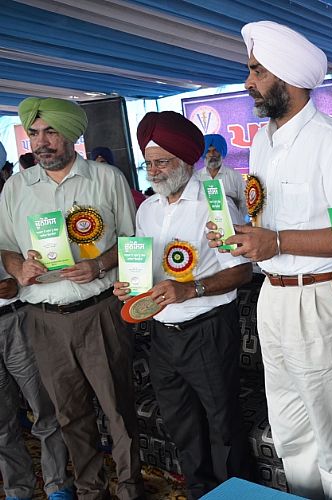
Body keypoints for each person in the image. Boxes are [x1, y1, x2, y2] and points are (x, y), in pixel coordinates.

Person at [208, 21, 332, 499]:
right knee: (289, 432)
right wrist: (239, 235)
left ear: (287, 76)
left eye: (257, 71)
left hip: (323, 299)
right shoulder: (262, 141)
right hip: (273, 299)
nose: (248, 82)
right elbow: (267, 222)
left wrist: (278, 241)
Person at [0, 97, 143, 499]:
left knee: (118, 410)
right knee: (69, 414)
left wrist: (98, 265)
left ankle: (131, 489)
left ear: (72, 135)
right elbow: (6, 248)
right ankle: (88, 490)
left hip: (99, 312)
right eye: (33, 133)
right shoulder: (17, 187)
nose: (40, 142)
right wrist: (18, 268)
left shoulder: (105, 178)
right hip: (43, 319)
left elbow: (132, 242)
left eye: (50, 132)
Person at [113, 111, 253, 498]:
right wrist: (129, 287)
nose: (154, 171)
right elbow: (145, 270)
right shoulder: (148, 209)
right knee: (181, 423)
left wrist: (190, 289)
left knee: (222, 423)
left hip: (206, 329)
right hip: (161, 333)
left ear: (186, 161)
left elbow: (241, 273)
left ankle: (235, 493)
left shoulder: (215, 204)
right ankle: (199, 491)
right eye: (149, 163)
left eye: (163, 162)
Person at [0, 261, 74, 500]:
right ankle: (17, 490)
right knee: (1, 422)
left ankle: (58, 486)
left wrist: (16, 285)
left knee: (44, 408)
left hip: (15, 319)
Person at [197, 134, 248, 221]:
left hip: (233, 225)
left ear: (221, 152)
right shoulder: (197, 177)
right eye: (208, 151)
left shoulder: (234, 176)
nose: (212, 154)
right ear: (204, 154)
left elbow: (244, 204)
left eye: (215, 150)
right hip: (205, 228)